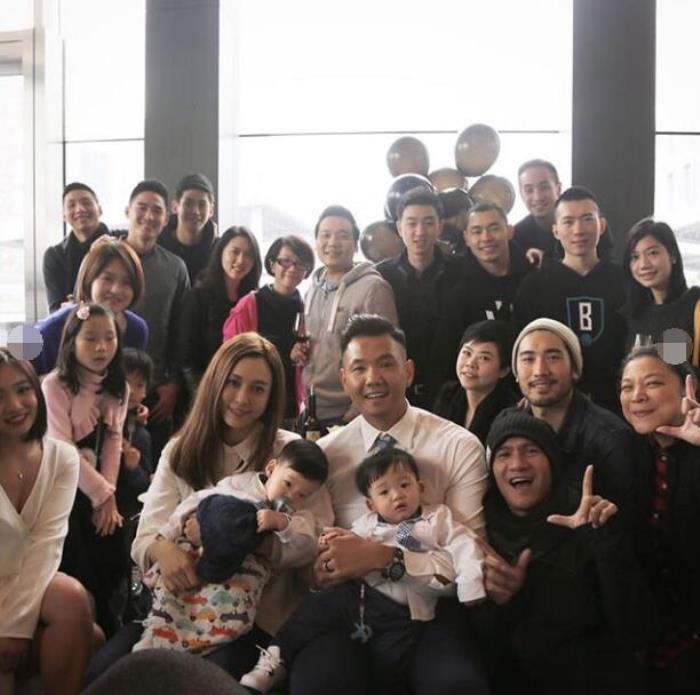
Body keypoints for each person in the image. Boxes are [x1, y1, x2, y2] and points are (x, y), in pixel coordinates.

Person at [86, 334, 331, 683]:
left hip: (253, 618)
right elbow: (144, 538)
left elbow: (315, 538)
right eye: (233, 383)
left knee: (194, 681)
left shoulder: (291, 454)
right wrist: (163, 549)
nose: (242, 398)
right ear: (215, 382)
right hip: (177, 607)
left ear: (272, 396)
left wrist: (244, 537)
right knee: (103, 675)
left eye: (258, 389)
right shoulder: (180, 449)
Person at [287, 314, 490, 695]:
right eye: (359, 368)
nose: (373, 379)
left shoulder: (457, 446)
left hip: (433, 614)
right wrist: (320, 570)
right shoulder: (325, 456)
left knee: (457, 686)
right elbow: (310, 559)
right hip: (350, 612)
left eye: (385, 364)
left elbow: (470, 560)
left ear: (408, 371)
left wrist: (383, 558)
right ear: (344, 379)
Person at [242, 446, 484, 694]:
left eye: (404, 485)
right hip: (360, 597)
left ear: (420, 488)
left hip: (409, 612)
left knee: (393, 665)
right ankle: (276, 657)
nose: (397, 496)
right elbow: (346, 544)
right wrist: (332, 541)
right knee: (315, 609)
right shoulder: (368, 525)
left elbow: (464, 546)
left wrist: (471, 583)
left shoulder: (438, 519)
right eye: (384, 491)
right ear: (371, 504)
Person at [475, 410, 652, 695]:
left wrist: (604, 544)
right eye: (504, 454)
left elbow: (638, 631)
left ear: (553, 462)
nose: (517, 463)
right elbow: (478, 648)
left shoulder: (591, 517)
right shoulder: (480, 530)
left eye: (531, 450)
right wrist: (503, 602)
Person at [134, 439, 328, 655]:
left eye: (303, 495)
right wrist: (166, 536)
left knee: (226, 614)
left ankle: (200, 647)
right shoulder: (240, 484)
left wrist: (282, 524)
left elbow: (307, 541)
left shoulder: (296, 517)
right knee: (174, 597)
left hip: (241, 575)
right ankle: (152, 636)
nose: (291, 497)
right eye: (288, 484)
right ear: (272, 468)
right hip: (197, 556)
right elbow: (199, 500)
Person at [0, 349, 95, 695]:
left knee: (74, 600)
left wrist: (15, 626)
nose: (14, 405)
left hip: (27, 577)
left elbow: (47, 544)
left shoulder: (62, 457)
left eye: (23, 389)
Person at [41, 303, 130, 636]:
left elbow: (114, 440)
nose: (101, 347)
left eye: (109, 338)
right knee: (78, 559)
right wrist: (101, 494)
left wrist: (108, 494)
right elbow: (62, 448)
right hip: (62, 486)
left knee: (111, 545)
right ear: (72, 342)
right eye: (90, 338)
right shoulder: (54, 385)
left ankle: (110, 624)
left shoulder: (119, 385)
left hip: (101, 488)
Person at [508, 318, 641, 530]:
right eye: (528, 359)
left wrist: (591, 528)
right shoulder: (507, 426)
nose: (540, 370)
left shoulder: (611, 439)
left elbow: (629, 529)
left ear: (575, 369)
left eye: (553, 357)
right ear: (515, 373)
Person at [619, 347, 700, 694]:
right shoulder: (630, 452)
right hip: (658, 625)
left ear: (687, 388)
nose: (637, 396)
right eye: (626, 386)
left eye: (652, 383)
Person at [513, 186, 626, 411]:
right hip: (555, 403)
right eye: (568, 221)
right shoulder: (535, 284)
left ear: (602, 225)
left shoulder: (624, 280)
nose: (578, 230)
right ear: (555, 230)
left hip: (619, 401)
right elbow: (520, 345)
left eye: (587, 219)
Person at [296, 205, 398, 429]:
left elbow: (388, 354)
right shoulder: (312, 289)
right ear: (316, 242)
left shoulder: (373, 288)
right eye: (326, 235)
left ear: (355, 243)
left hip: (348, 414)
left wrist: (357, 412)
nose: (333, 242)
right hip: (312, 408)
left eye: (342, 235)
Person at [122, 179, 190, 459]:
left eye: (157, 210)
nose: (149, 216)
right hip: (105, 386)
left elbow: (181, 331)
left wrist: (174, 383)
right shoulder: (105, 257)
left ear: (166, 219)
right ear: (127, 211)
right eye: (142, 207)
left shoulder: (175, 267)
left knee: (152, 466)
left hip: (156, 389)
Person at [377, 189, 463, 410]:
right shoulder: (382, 276)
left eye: (428, 222)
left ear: (440, 226)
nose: (420, 232)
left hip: (452, 392)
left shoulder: (461, 271)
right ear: (399, 228)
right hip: (397, 393)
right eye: (412, 223)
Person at [436, 201, 531, 386]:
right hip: (478, 390)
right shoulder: (456, 290)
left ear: (509, 231)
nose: (486, 238)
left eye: (494, 228)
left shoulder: (533, 279)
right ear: (466, 238)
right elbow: (446, 355)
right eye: (477, 231)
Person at [223, 235, 314, 422]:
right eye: (285, 261)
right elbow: (231, 356)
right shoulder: (249, 304)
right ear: (272, 265)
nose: (292, 269)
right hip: (252, 401)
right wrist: (286, 355)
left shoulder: (307, 308)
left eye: (300, 264)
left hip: (291, 404)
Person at [34, 238, 148, 376]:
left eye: (127, 282)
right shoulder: (53, 328)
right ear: (89, 279)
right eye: (107, 278)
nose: (116, 289)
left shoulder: (136, 329)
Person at [179, 226, 262, 397]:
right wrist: (206, 396)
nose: (241, 260)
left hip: (243, 393)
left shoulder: (255, 300)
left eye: (248, 255)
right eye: (235, 252)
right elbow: (187, 357)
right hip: (205, 392)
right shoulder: (199, 297)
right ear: (221, 252)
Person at [621, 217, 700, 359]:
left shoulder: (694, 305)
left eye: (653, 253)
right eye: (635, 257)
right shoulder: (634, 313)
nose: (643, 264)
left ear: (672, 255)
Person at [434, 320, 517, 445]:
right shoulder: (449, 394)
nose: (470, 363)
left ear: (504, 371)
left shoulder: (509, 411)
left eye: (484, 358)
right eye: (467, 353)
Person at [43, 182, 109, 312]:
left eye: (86, 203)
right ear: (64, 216)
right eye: (71, 205)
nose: (80, 209)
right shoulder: (55, 255)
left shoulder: (120, 243)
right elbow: (55, 310)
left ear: (100, 210)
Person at [157, 173, 217, 285]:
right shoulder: (156, 246)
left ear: (211, 210)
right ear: (175, 207)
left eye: (202, 205)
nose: (195, 211)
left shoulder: (219, 251)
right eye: (188, 204)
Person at [117, 348, 154, 522]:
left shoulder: (140, 435)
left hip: (122, 513)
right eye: (125, 381)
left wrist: (134, 468)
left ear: (145, 392)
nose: (131, 390)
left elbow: (145, 485)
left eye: (139, 385)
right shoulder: (95, 418)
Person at [513, 159, 562, 265]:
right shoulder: (517, 236)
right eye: (529, 190)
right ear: (521, 194)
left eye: (544, 187)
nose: (537, 197)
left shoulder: (580, 226)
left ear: (558, 189)